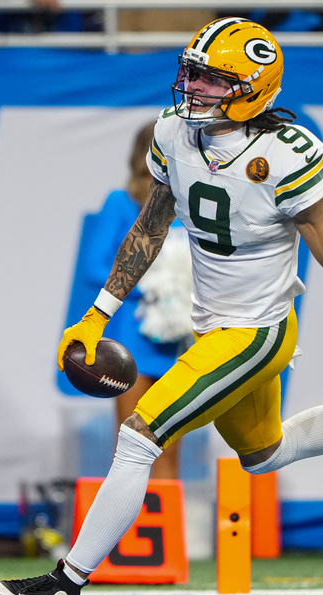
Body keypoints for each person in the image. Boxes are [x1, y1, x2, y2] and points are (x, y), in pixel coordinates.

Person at [0, 17, 323, 595]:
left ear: (250, 88)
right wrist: (96, 315)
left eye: (210, 79)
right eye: (190, 73)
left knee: (141, 435)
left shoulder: (286, 153)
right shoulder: (172, 132)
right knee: (265, 453)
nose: (191, 87)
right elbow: (149, 227)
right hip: (211, 324)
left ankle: (64, 584)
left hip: (258, 332)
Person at [75, 122, 189, 479]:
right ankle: (130, 534)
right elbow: (95, 265)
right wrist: (154, 287)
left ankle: (169, 534)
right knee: (132, 449)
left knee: (168, 449)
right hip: (131, 345)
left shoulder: (191, 205)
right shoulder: (121, 203)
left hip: (179, 346)